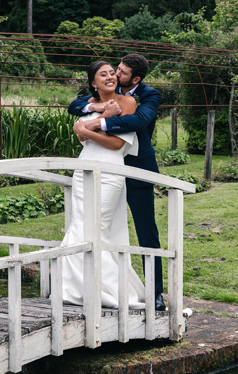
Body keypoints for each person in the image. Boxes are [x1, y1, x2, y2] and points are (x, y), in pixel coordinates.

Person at [67, 54, 165, 310]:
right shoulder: (105, 91)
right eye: (114, 70)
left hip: (137, 167)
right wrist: (97, 108)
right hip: (102, 163)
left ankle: (155, 292)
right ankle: (93, 282)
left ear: (136, 78)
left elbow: (139, 121)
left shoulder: (148, 95)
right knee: (98, 224)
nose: (115, 75)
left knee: (146, 230)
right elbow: (75, 104)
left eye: (120, 72)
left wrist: (94, 123)